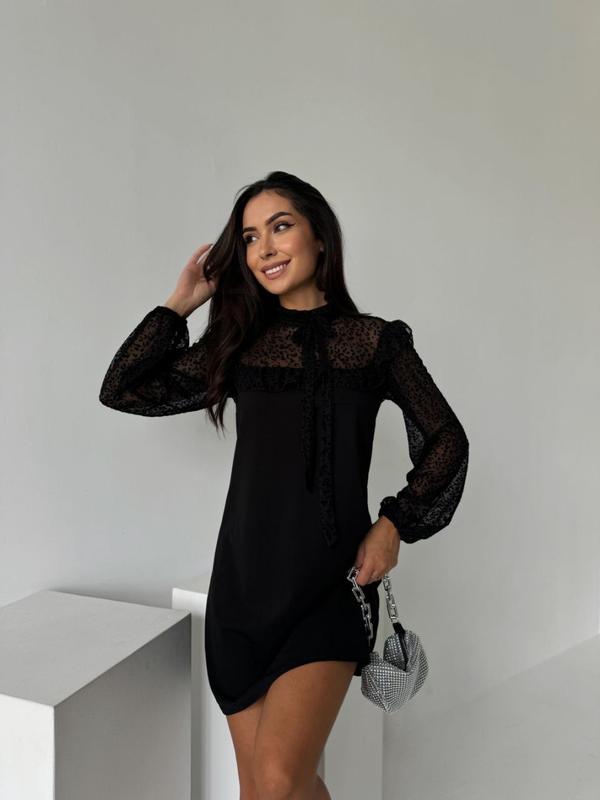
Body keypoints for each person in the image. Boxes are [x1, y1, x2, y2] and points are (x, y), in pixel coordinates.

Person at [99, 170, 469, 800]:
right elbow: (123, 389)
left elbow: (446, 439)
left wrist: (393, 524)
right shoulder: (239, 346)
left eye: (280, 227)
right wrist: (180, 303)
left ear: (319, 236)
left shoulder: (374, 343)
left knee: (276, 782)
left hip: (330, 587)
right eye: (249, 237)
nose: (264, 248)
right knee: (270, 790)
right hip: (243, 589)